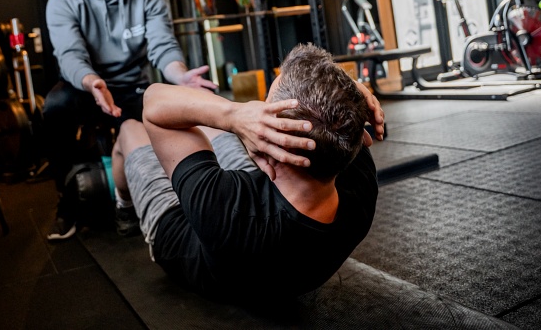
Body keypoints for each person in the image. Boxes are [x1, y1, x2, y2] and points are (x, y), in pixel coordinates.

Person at [110, 43, 381, 302]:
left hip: (187, 238)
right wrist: (353, 92)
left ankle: (124, 208)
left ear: (279, 141)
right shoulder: (360, 181)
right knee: (208, 116)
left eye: (266, 107)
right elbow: (336, 114)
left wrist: (233, 115)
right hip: (266, 204)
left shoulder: (225, 208)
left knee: (131, 130)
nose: (259, 109)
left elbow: (154, 103)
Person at [43, 0, 217, 241]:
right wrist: (91, 80)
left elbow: (163, 45)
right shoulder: (63, 1)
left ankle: (179, 196)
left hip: (131, 84)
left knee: (171, 112)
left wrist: (180, 77)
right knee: (55, 107)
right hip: (87, 83)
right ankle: (67, 202)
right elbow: (70, 54)